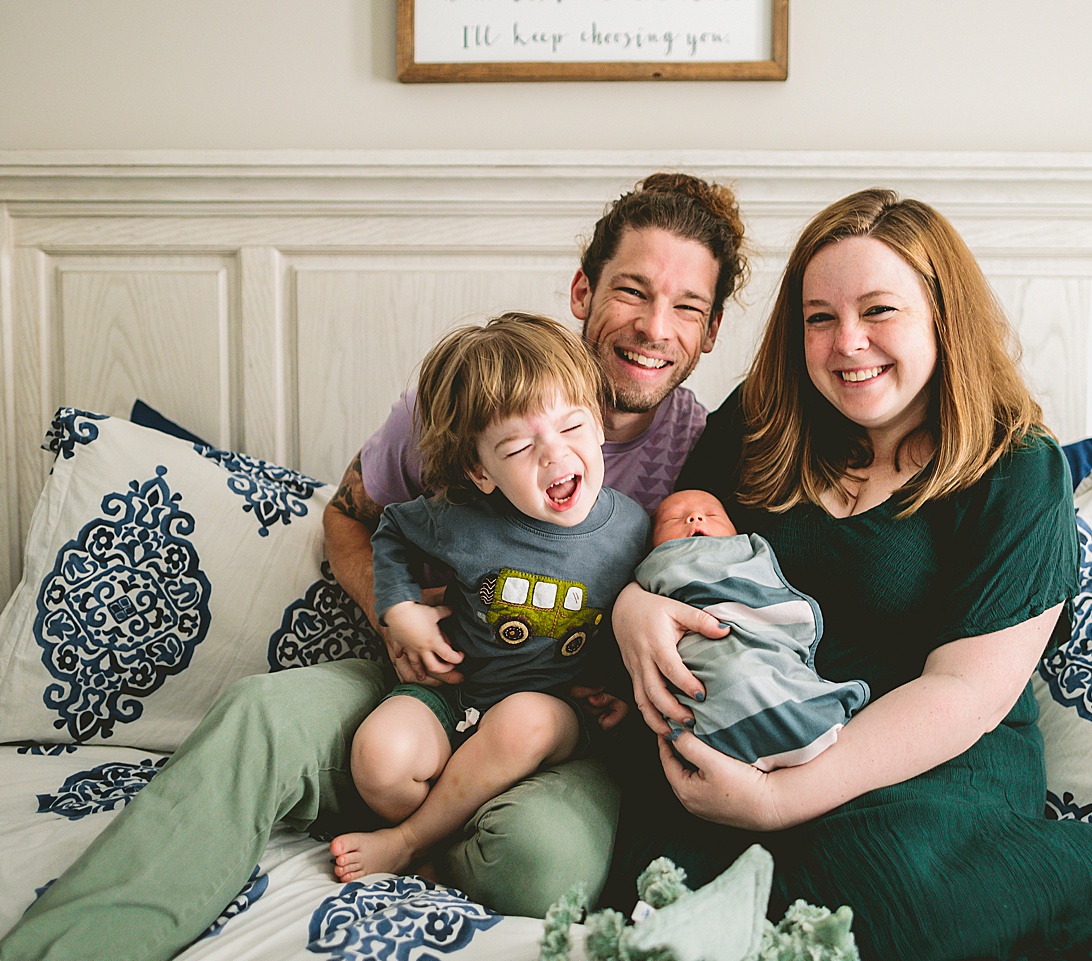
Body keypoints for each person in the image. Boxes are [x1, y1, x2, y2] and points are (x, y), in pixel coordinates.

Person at [0, 171, 748, 961]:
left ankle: (413, 841)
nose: (654, 326)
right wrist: (396, 619)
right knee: (259, 715)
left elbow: (721, 602)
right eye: (632, 290)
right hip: (432, 679)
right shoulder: (463, 401)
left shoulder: (704, 447)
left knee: (541, 859)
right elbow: (351, 516)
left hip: (561, 731)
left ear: (708, 331)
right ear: (582, 289)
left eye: (687, 308)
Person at [600, 188, 1092, 961]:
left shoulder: (1015, 469)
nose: (848, 341)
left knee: (888, 909)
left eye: (879, 310)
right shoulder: (762, 420)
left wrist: (779, 800)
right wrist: (633, 609)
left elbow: (965, 692)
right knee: (668, 899)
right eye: (821, 317)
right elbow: (676, 550)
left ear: (942, 319)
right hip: (761, 731)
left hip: (929, 758)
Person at [330, 315, 651, 883]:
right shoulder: (460, 518)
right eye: (522, 445)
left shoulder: (632, 530)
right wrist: (399, 609)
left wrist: (621, 694)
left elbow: (640, 623)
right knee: (379, 763)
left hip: (556, 713)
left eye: (573, 425)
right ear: (480, 470)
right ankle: (447, 824)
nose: (554, 454)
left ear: (599, 423)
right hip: (460, 695)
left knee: (523, 721)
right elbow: (393, 531)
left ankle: (409, 842)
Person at [637, 489, 868, 771]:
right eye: (673, 519)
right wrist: (631, 603)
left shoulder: (747, 553)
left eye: (712, 514)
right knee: (731, 677)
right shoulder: (654, 568)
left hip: (757, 647)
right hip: (696, 665)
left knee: (753, 676)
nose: (695, 518)